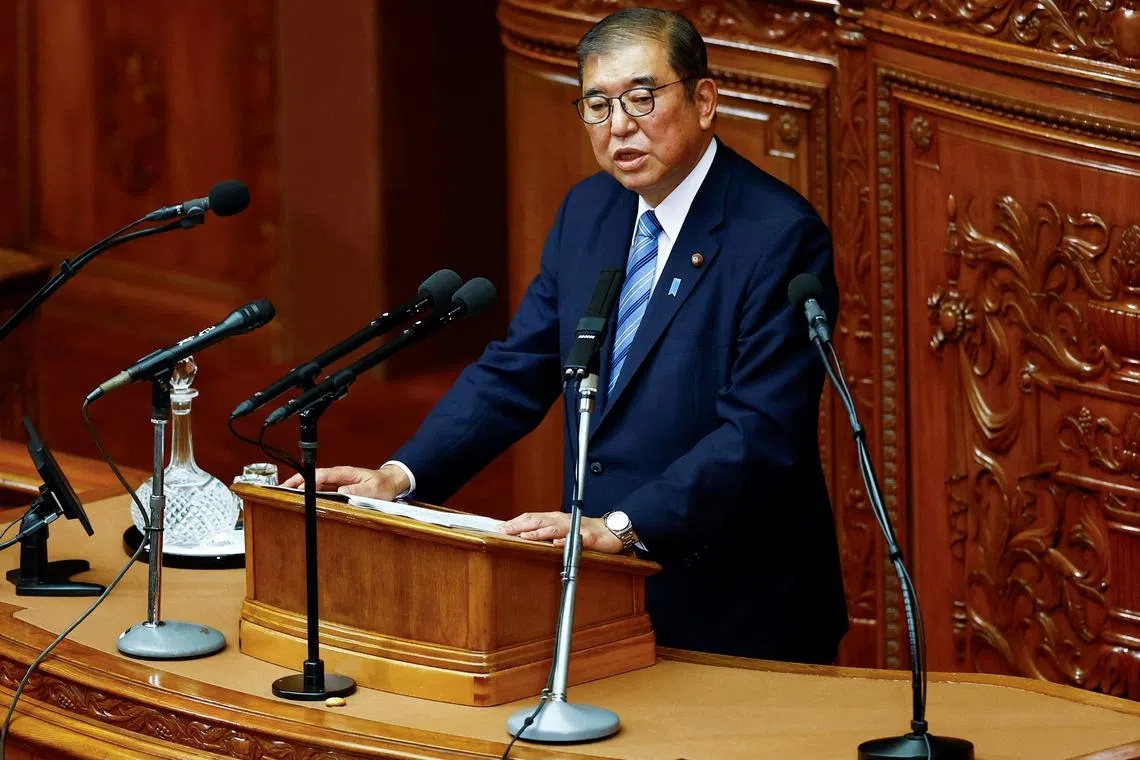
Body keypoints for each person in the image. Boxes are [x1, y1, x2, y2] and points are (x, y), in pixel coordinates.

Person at [284, 8, 848, 663]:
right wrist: (400, 476)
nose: (620, 126)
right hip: (601, 591)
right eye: (598, 106)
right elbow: (516, 369)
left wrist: (622, 526)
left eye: (642, 98)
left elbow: (760, 434)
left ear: (703, 100)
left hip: (734, 604)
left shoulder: (778, 236)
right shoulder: (589, 211)